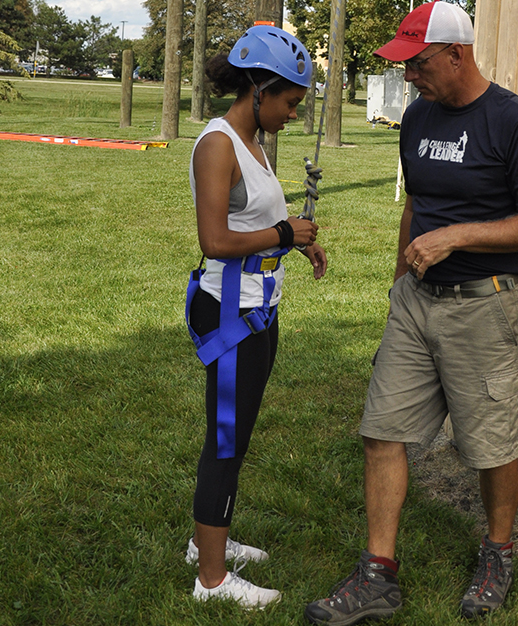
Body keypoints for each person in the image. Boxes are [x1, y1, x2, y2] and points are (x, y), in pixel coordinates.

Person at [304, 2, 518, 623]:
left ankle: (497, 553)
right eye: (405, 66)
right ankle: (378, 576)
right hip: (416, 306)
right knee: (381, 431)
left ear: (457, 55)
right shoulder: (417, 118)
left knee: (489, 446)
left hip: (486, 307)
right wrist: (399, 286)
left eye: (418, 65)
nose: (410, 78)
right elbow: (415, 206)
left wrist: (458, 237)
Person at [184, 25, 326, 608]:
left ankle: (205, 544)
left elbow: (254, 223)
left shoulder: (255, 141)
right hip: (228, 316)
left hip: (256, 312)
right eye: (291, 103)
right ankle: (211, 582)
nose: (293, 114)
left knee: (235, 437)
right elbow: (216, 240)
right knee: (225, 439)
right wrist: (285, 231)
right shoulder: (219, 144)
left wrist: (293, 241)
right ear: (261, 88)